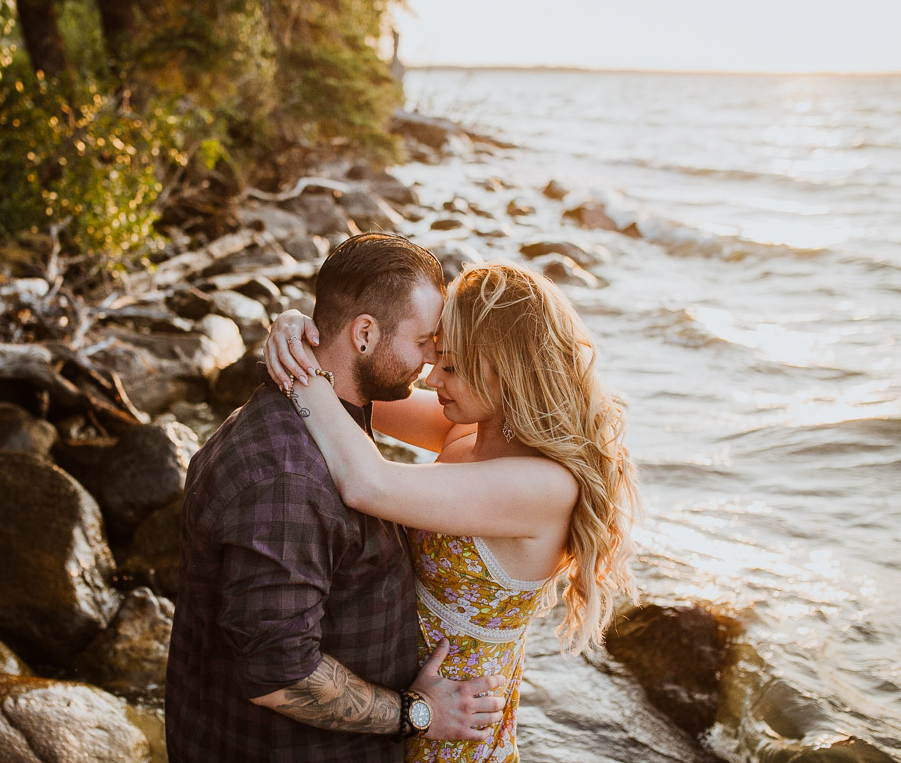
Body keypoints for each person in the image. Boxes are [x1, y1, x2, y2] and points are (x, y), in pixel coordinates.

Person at [264, 261, 640, 762]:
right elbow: (348, 387)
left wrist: (298, 370)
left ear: (508, 370)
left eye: (453, 366)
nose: (431, 376)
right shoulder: (469, 431)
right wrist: (296, 330)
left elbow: (366, 482)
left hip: (454, 728)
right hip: (396, 705)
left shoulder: (544, 486)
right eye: (436, 355)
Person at [165, 234, 507, 763]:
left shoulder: (324, 416)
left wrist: (296, 333)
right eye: (424, 341)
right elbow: (281, 674)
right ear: (365, 333)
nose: (434, 359)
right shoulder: (286, 480)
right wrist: (417, 713)